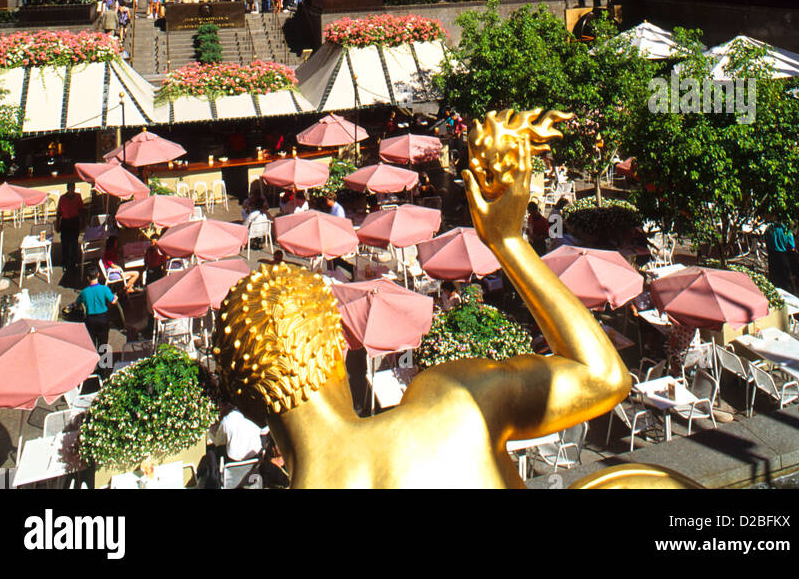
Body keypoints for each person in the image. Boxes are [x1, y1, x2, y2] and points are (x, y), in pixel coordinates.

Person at [212, 109, 633, 490]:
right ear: (338, 347)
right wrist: (508, 242)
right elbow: (602, 377)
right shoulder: (453, 401)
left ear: (247, 405)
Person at [76, 267, 116, 357]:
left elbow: (77, 304)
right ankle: (105, 367)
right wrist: (116, 297)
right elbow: (113, 301)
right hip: (103, 318)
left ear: (88, 278)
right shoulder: (104, 289)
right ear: (98, 275)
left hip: (90, 320)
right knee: (104, 344)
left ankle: (93, 365)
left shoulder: (84, 292)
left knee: (92, 344)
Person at [56, 181, 86, 277]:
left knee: (73, 242)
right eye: (70, 188)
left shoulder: (78, 197)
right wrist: (57, 224)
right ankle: (65, 261)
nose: (71, 190)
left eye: (73, 188)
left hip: (74, 221)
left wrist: (83, 223)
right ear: (67, 189)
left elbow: (81, 210)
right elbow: (59, 212)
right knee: (65, 242)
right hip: (65, 222)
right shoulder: (62, 198)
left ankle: (73, 263)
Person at [765, 222, 799, 293]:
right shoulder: (786, 230)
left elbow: (765, 240)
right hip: (783, 256)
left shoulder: (769, 228)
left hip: (772, 256)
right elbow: (792, 245)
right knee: (785, 281)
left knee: (773, 280)